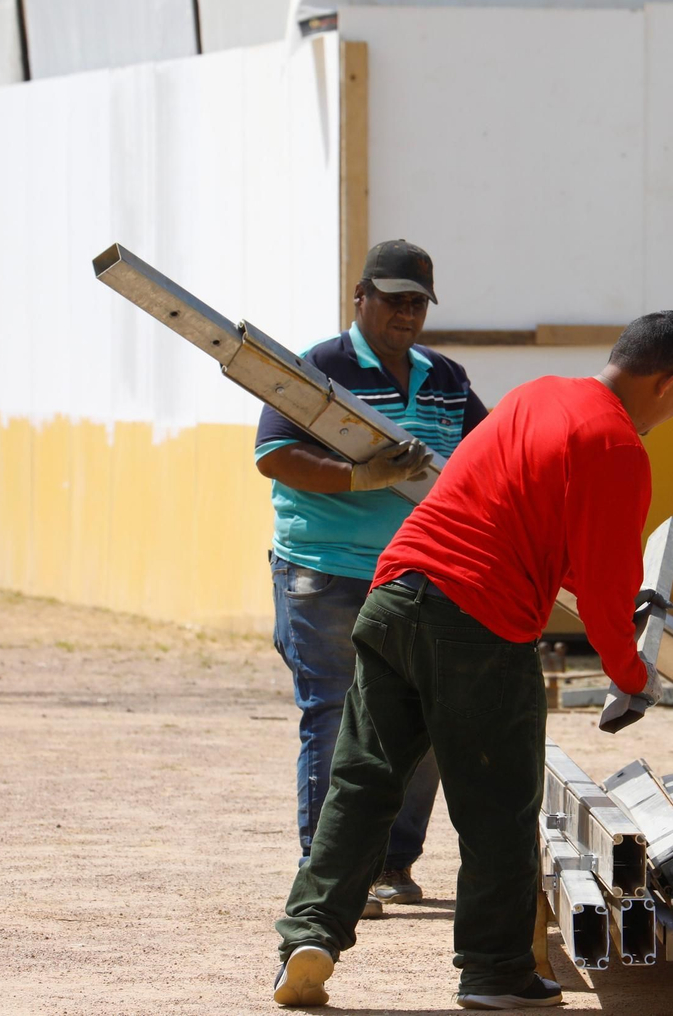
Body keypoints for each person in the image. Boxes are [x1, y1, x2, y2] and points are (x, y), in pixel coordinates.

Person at [269, 311, 673, 1010]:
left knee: (363, 784)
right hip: (478, 624)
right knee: (499, 806)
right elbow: (605, 586)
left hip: (395, 594)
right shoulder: (616, 444)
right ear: (668, 380)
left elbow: (531, 531)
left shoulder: (535, 396)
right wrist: (632, 677)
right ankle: (496, 974)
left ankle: (309, 936)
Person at [255, 239, 486, 916]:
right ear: (361, 298)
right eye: (393, 300)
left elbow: (486, 454)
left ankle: (390, 864)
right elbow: (275, 455)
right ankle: (329, 872)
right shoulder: (320, 368)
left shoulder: (444, 378)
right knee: (334, 715)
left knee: (424, 719)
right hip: (326, 571)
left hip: (419, 571)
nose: (406, 313)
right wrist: (362, 477)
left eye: (417, 303)